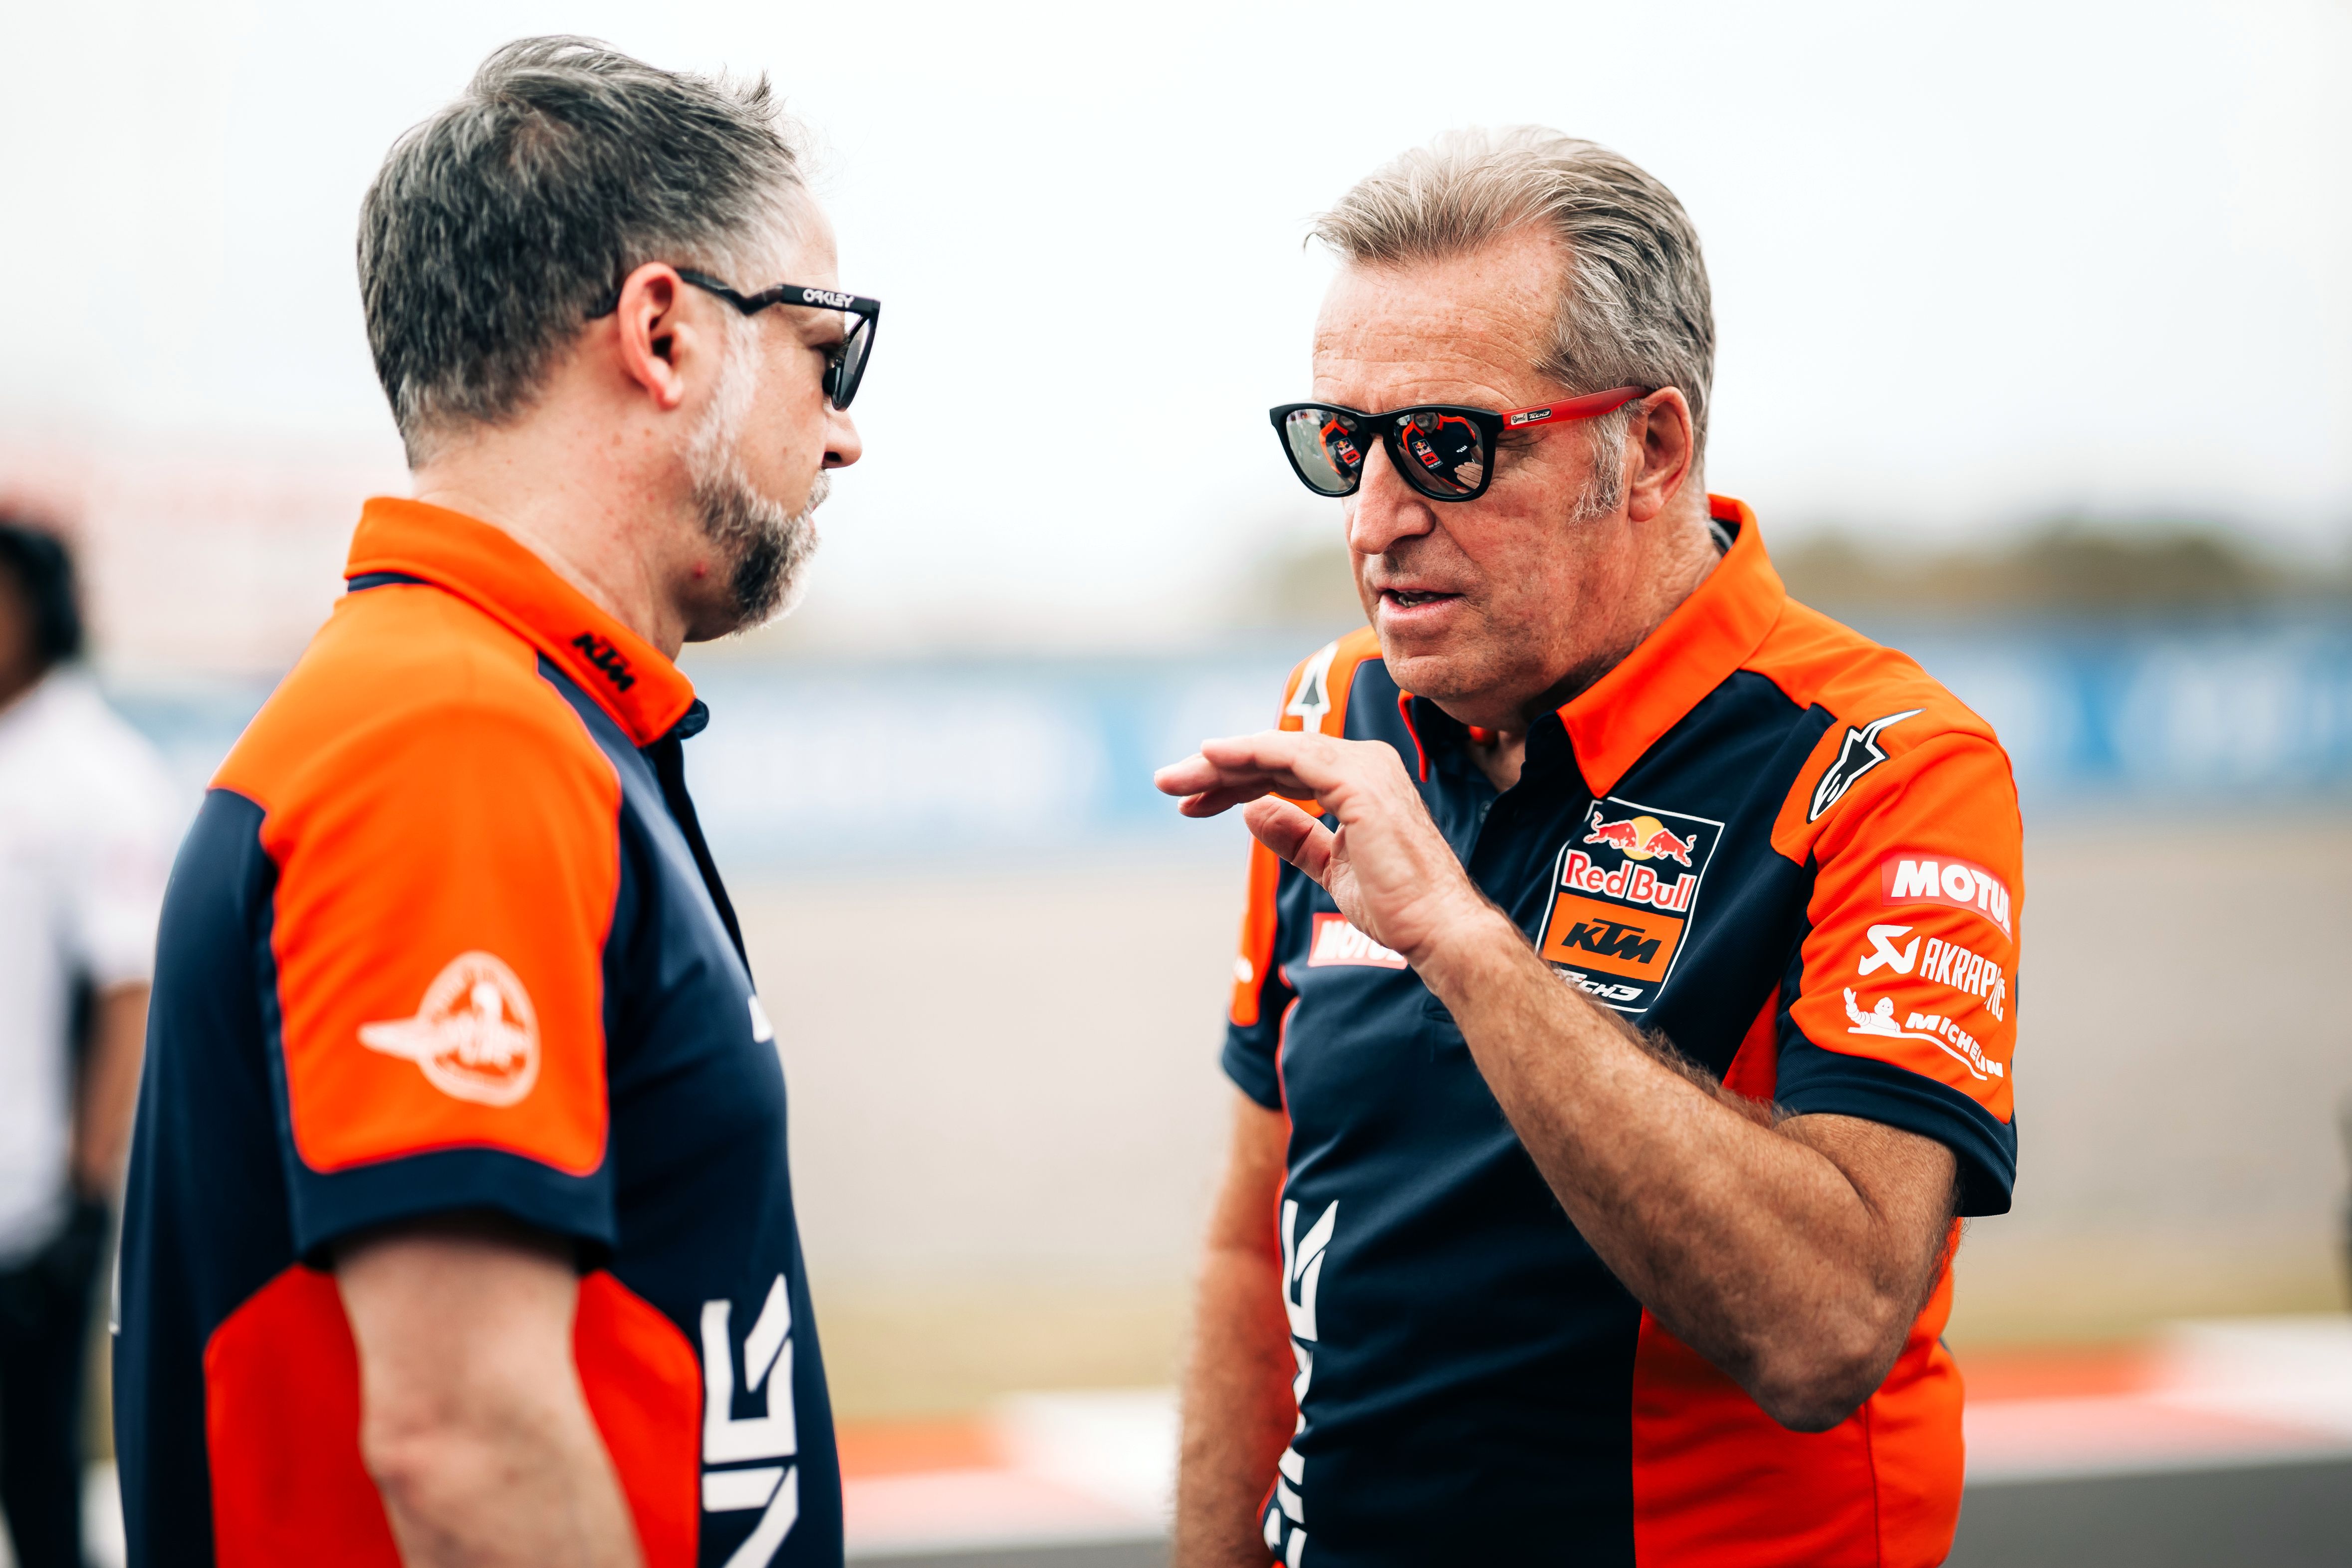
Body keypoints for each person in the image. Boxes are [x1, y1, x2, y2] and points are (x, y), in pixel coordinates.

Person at [1160, 128, 2022, 1566]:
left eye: (1447, 446)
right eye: (1341, 445)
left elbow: (1826, 1330)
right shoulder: (1334, 714)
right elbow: (1254, 1246)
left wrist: (1463, 940)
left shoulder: (1881, 765)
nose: (1375, 520)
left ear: (1651, 450)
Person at [114, 37, 867, 1568]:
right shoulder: (454, 734)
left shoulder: (500, 708)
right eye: (826, 349)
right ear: (665, 332)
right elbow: (465, 1444)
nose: (846, 427)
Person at [0, 520, 176, 1568]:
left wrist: (83, 1189)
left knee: (40, 1480)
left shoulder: (95, 774)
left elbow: (126, 992)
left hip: (31, 1209)